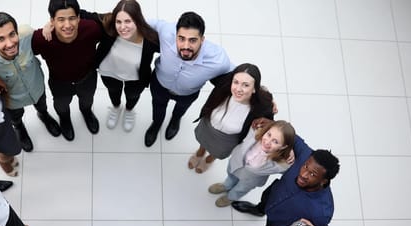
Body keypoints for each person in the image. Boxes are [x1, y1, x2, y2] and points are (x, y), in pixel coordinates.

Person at [0, 12, 61, 152]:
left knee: (42, 105)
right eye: (1, 39)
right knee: (16, 118)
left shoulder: (27, 33)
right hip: (12, 100)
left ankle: (44, 115)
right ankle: (19, 128)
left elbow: (45, 34)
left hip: (36, 87)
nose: (10, 43)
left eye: (12, 34)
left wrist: (49, 25)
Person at [144, 11, 232, 147]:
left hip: (187, 94)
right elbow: (139, 20)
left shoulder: (217, 58)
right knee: (158, 107)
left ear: (202, 40)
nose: (185, 46)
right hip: (160, 85)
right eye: (181, 38)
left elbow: (240, 73)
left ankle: (175, 120)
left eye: (193, 40)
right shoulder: (167, 31)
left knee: (180, 110)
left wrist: (261, 92)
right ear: (176, 35)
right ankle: (156, 125)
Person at [231, 136, 340, 226]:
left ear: (323, 181)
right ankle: (259, 210)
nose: (303, 174)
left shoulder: (322, 211)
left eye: (312, 174)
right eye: (305, 166)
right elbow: (290, 136)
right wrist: (290, 148)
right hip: (271, 196)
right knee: (264, 203)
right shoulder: (305, 154)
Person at [31, 0, 103, 141]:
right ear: (52, 21)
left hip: (87, 78)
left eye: (72, 18)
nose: (67, 25)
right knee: (61, 106)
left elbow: (112, 24)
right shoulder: (42, 39)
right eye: (61, 20)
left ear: (79, 18)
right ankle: (64, 119)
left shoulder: (92, 29)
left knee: (87, 101)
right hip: (59, 82)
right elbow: (20, 50)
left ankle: (86, 112)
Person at [190, 63, 275, 173]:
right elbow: (208, 70)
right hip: (207, 126)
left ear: (255, 89)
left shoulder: (261, 107)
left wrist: (270, 100)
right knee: (203, 140)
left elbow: (270, 122)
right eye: (236, 82)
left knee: (217, 152)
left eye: (245, 85)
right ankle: (200, 152)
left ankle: (209, 159)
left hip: (227, 139)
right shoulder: (224, 84)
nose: (238, 89)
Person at [89, 0, 160, 131]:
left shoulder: (150, 38)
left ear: (138, 20)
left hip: (136, 78)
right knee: (113, 92)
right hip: (109, 73)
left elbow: (174, 46)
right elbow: (79, 14)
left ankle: (128, 111)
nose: (122, 27)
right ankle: (116, 108)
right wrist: (51, 23)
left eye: (128, 21)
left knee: (132, 96)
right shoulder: (107, 24)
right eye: (119, 22)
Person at [208, 120, 295, 208]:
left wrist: (290, 152)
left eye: (275, 141)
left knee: (241, 189)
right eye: (269, 135)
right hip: (236, 165)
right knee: (231, 177)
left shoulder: (279, 163)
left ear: (283, 146)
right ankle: (226, 186)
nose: (267, 142)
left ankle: (231, 197)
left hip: (249, 180)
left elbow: (291, 169)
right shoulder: (255, 134)